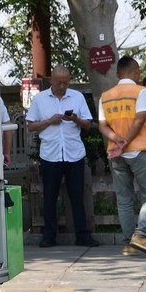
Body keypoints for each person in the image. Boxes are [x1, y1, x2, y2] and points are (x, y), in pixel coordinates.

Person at [97, 56, 146, 257]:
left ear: (118, 74)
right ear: (136, 72)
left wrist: (117, 140)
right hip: (139, 150)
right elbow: (140, 118)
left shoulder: (106, 96)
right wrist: (126, 140)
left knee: (124, 199)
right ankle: (141, 234)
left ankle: (128, 244)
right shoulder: (140, 91)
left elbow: (102, 126)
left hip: (116, 154)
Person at [26, 65, 99, 248]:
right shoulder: (40, 99)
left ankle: (83, 235)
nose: (62, 86)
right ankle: (49, 236)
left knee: (77, 196)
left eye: (65, 82)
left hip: (74, 153)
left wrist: (75, 119)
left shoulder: (77, 97)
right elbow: (30, 126)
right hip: (50, 154)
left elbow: (88, 125)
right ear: (51, 80)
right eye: (58, 82)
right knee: (50, 197)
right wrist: (50, 120)